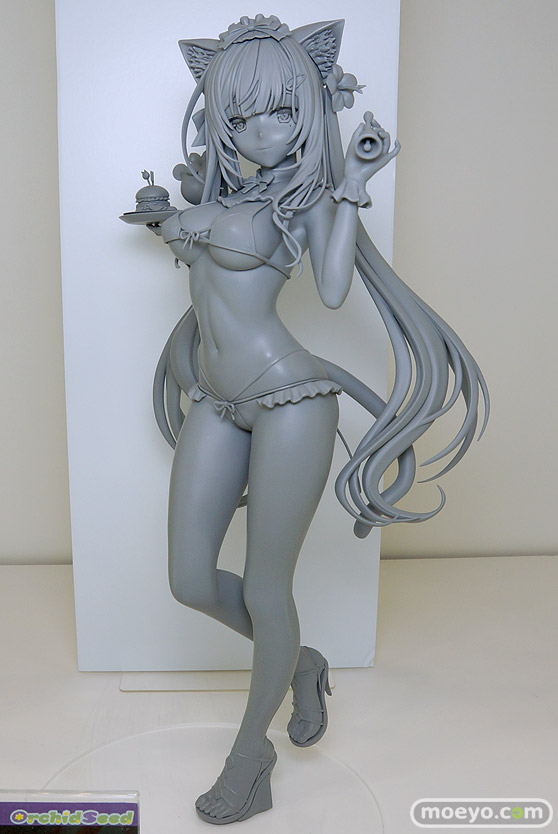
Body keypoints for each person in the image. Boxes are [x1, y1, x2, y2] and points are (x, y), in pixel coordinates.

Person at [136, 15, 488, 824]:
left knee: (267, 589)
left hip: (290, 399)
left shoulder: (313, 200)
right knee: (189, 581)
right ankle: (301, 662)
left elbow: (331, 290)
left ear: (310, 108)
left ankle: (249, 759)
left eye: (282, 111)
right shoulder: (225, 195)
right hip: (216, 400)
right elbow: (207, 278)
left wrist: (353, 182)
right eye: (240, 116)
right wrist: (169, 219)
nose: (261, 131)